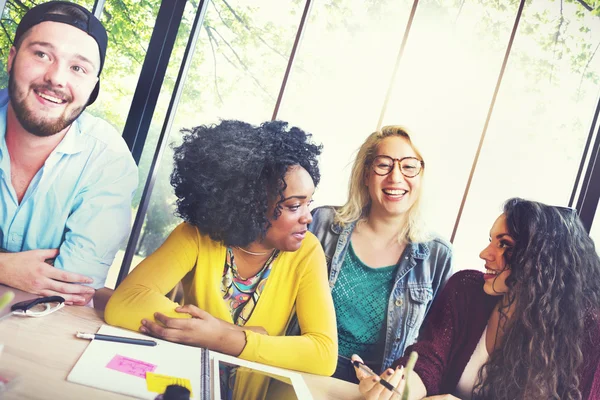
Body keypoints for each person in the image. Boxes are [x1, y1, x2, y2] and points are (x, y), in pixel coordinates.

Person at [105, 120, 337, 376]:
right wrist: (237, 334)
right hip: (183, 381)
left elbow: (324, 354)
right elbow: (125, 302)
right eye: (294, 206)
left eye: (308, 204)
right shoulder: (197, 235)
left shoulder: (307, 252)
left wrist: (226, 338)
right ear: (251, 204)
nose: (308, 218)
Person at [355, 198, 600, 400]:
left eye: (505, 245)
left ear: (544, 262)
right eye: (490, 240)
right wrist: (399, 388)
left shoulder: (588, 330)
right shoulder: (467, 290)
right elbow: (430, 359)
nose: (485, 254)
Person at [0, 1, 138, 305]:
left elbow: (69, 286)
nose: (57, 78)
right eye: (41, 54)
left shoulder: (108, 161)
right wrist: (4, 267)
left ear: (93, 87)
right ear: (11, 58)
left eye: (78, 68)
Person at [303, 125, 453, 382]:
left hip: (376, 389)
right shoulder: (323, 223)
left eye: (409, 166)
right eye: (383, 165)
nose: (395, 177)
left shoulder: (437, 255)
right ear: (365, 174)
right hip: (306, 369)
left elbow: (432, 345)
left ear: (421, 175)